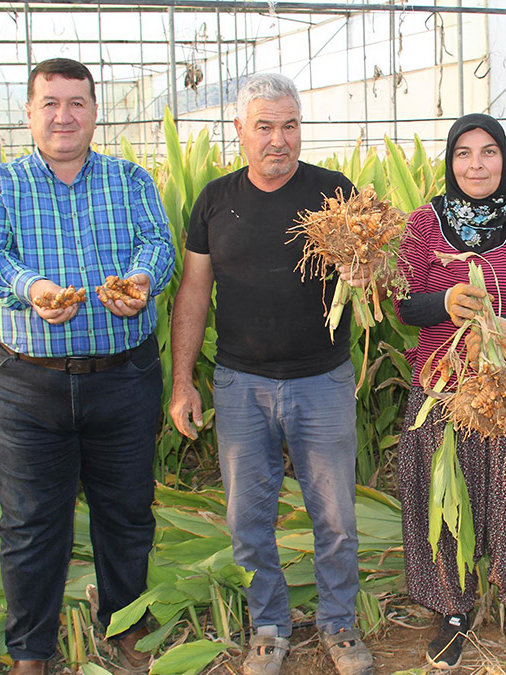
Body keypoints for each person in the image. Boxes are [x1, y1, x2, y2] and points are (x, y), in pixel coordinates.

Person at [0, 58, 173, 675]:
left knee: (128, 510)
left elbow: (158, 245)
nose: (64, 115)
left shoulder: (131, 181)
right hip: (27, 383)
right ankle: (32, 649)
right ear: (29, 113)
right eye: (50, 103)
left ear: (94, 111)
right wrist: (33, 290)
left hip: (123, 377)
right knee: (30, 521)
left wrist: (139, 280)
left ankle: (125, 624)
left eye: (76, 103)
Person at [168, 73, 374, 675]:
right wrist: (183, 380)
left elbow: (376, 270)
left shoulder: (334, 193)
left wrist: (366, 276)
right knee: (247, 518)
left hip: (323, 380)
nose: (278, 140)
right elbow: (194, 292)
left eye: (289, 126)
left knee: (335, 515)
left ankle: (338, 625)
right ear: (240, 131)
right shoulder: (213, 200)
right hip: (241, 385)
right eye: (265, 126)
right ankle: (269, 626)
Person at [393, 113, 506, 674]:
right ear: (450, 160)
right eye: (464, 153)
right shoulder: (422, 224)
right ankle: (452, 608)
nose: (476, 165)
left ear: (504, 160)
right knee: (445, 495)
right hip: (443, 384)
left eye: (489, 153)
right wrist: (444, 303)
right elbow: (403, 305)